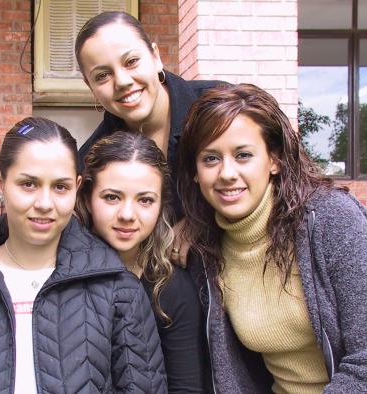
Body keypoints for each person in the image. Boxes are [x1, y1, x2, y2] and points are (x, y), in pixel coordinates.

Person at [0, 117, 167, 394]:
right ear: (0, 183)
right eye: (29, 184)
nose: (44, 204)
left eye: (60, 187)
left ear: (77, 187)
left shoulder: (119, 289)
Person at [178, 84, 367, 393]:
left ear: (274, 160)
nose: (226, 173)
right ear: (196, 172)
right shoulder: (207, 248)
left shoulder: (331, 220)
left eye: (243, 155)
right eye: (211, 159)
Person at [75, 131, 212, 393]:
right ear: (88, 199)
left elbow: (186, 387)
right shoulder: (59, 273)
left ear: (161, 206)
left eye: (145, 200)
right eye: (112, 197)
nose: (127, 214)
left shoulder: (171, 289)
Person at [74, 11, 231, 223]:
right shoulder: (88, 164)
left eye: (131, 61)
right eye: (102, 76)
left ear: (155, 57)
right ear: (90, 87)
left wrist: (200, 225)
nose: (122, 81)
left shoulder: (223, 108)